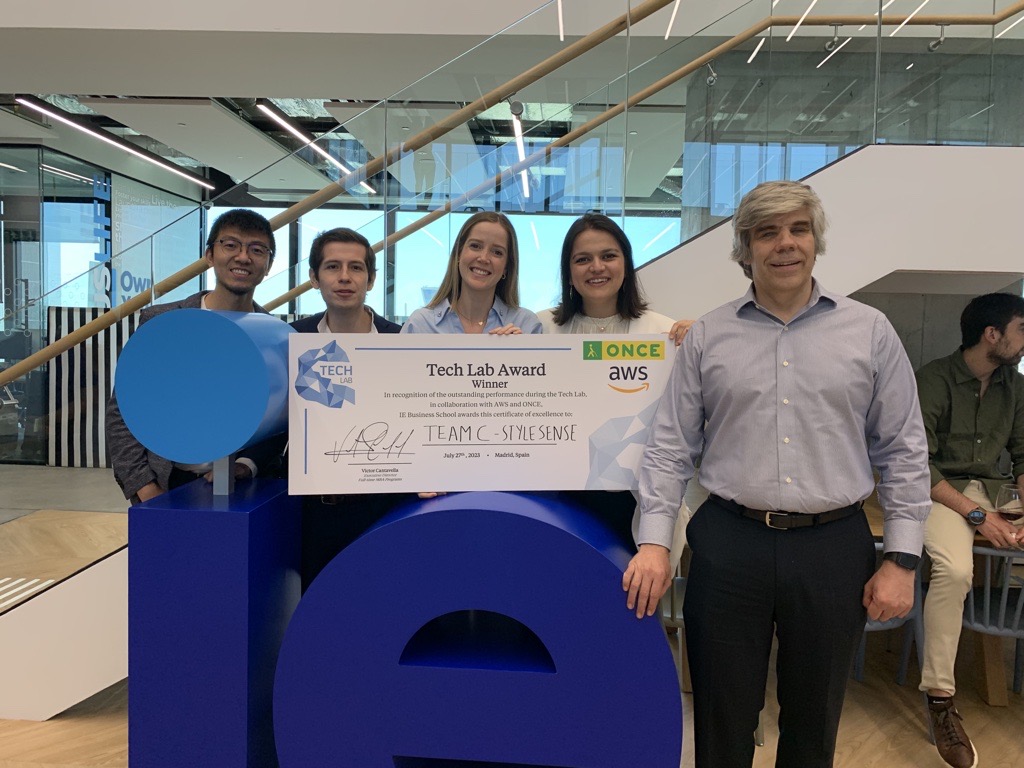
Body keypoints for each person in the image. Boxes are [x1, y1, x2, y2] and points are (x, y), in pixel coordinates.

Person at [627, 180, 931, 768]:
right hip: (728, 543)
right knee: (720, 716)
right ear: (745, 249)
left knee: (814, 722)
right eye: (767, 232)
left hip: (833, 547)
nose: (784, 244)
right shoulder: (709, 335)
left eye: (798, 229)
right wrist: (654, 542)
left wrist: (900, 559)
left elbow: (903, 449)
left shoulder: (870, 331)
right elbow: (669, 448)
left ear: (816, 241)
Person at [537, 212, 692, 562]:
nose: (597, 267)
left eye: (608, 256)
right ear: (569, 271)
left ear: (626, 263)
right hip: (559, 502)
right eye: (583, 259)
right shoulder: (540, 329)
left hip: (634, 506)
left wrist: (700, 342)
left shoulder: (664, 333)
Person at [915, 292, 1024, 768]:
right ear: (992, 334)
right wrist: (979, 517)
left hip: (995, 488)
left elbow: (1023, 454)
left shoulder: (1014, 386)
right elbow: (917, 463)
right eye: (1021, 330)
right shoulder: (933, 379)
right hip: (942, 491)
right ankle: (941, 701)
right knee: (956, 572)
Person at [106, 208, 279, 503]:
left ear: (268, 264)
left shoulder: (273, 334)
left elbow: (278, 419)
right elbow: (125, 410)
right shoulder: (163, 322)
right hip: (166, 484)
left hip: (241, 489)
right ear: (210, 255)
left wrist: (246, 466)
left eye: (256, 249)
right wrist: (143, 486)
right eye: (230, 245)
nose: (243, 257)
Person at [291, 227, 401, 589]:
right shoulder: (293, 339)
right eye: (332, 267)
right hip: (314, 512)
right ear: (313, 278)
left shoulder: (402, 341)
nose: (344, 277)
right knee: (316, 609)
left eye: (356, 268)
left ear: (370, 280)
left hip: (384, 509)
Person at [401, 211, 541, 335]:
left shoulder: (526, 325)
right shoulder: (420, 325)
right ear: (458, 254)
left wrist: (520, 354)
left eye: (497, 252)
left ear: (506, 267)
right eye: (475, 246)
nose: (484, 258)